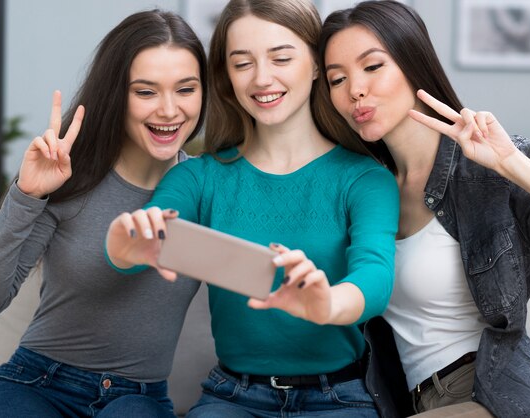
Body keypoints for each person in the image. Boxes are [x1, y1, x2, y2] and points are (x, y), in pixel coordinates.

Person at [105, 0, 400, 416]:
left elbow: (375, 274)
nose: (262, 79)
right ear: (226, 77)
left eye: (281, 58)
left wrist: (328, 304)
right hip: (232, 397)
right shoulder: (198, 179)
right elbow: (142, 246)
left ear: (316, 65)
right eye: (242, 64)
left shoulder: (364, 180)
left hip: (338, 398)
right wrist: (125, 244)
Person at [320, 1, 530, 417]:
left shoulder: (488, 168)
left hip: (494, 397)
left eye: (372, 67)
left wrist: (512, 164)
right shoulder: (366, 189)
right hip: (411, 401)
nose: (355, 90)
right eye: (337, 78)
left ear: (413, 62)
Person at [0, 9, 207, 418]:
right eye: (145, 92)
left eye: (185, 89)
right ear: (116, 95)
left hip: (139, 400)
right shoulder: (69, 178)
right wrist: (27, 194)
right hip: (37, 383)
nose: (168, 110)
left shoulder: (208, 188)